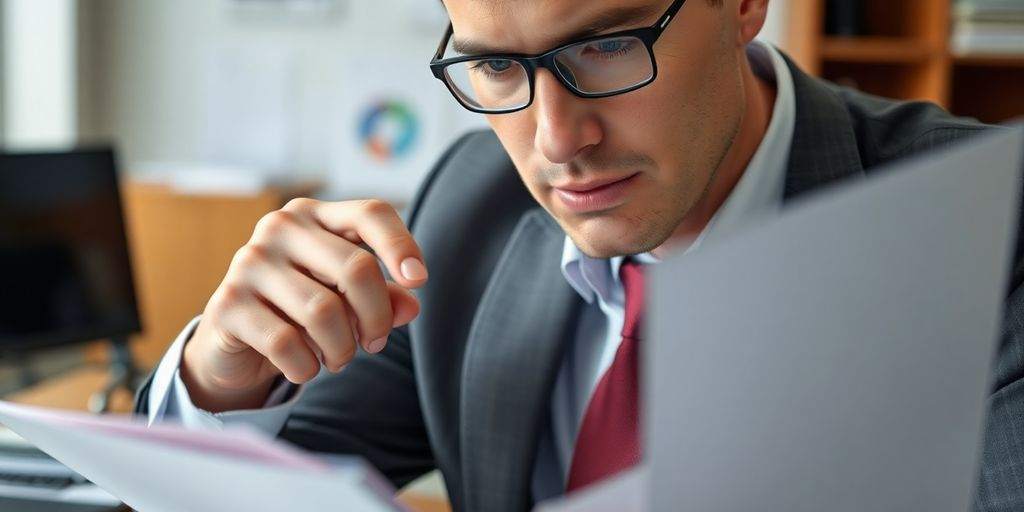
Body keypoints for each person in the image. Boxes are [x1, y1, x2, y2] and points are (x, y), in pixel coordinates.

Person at [135, 0, 1024, 510]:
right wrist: (225, 379)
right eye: (493, 69)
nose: (556, 139)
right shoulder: (467, 204)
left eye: (606, 45)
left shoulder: (993, 226)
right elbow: (248, 488)